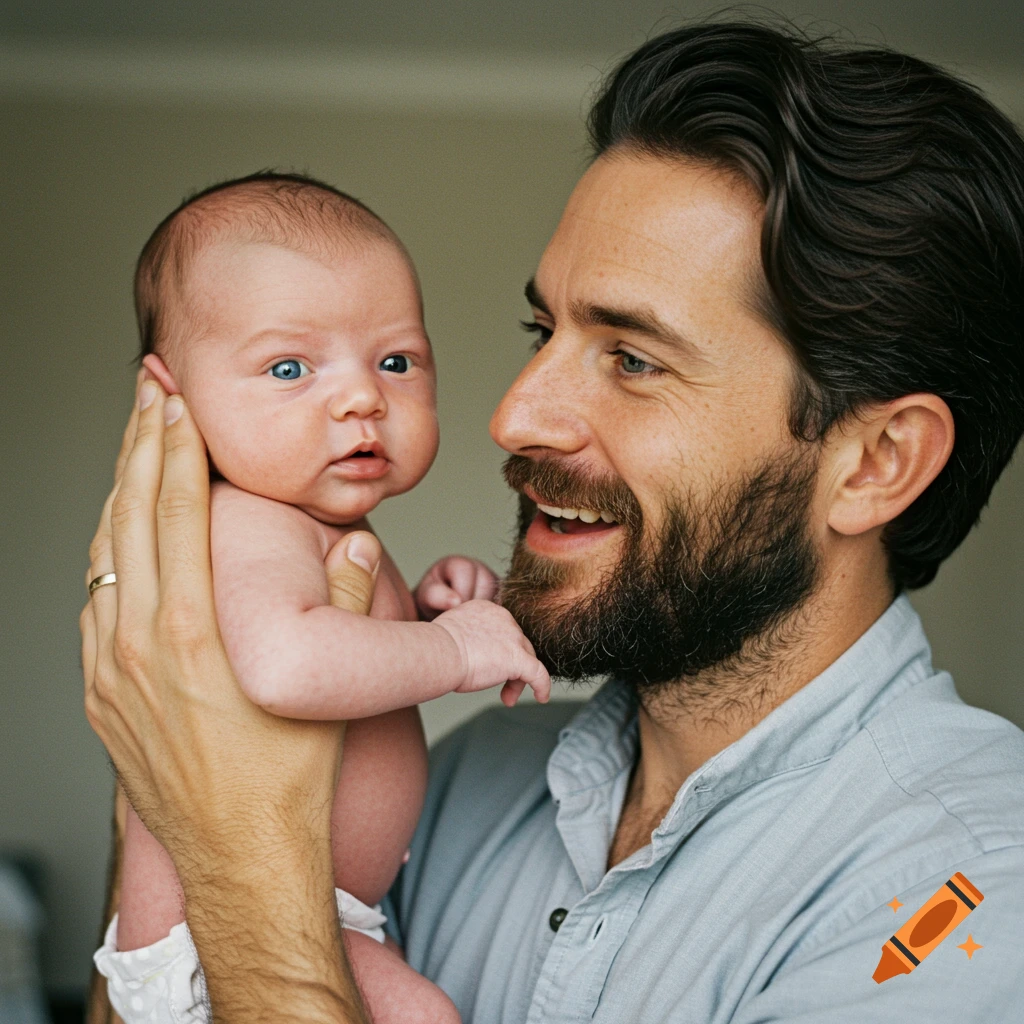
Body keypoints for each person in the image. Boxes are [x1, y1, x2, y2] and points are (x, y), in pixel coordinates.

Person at [82, 21, 1024, 1023]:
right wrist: (168, 783)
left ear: (876, 463)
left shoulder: (967, 889)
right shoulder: (464, 778)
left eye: (631, 358)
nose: (512, 415)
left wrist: (242, 869)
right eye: (543, 330)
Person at [89, 173, 549, 1024]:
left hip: (308, 908)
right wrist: (452, 652)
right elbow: (287, 664)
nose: (362, 396)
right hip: (222, 915)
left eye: (396, 361)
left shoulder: (308, 530)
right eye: (290, 367)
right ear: (171, 396)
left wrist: (422, 610)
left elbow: (329, 649)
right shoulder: (248, 523)